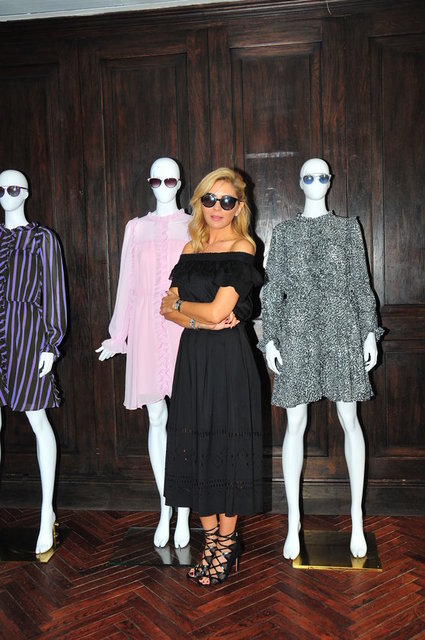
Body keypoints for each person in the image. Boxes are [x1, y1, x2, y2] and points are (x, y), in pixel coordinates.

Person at [261, 158, 384, 560]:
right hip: (296, 333)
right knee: (294, 423)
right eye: (308, 177)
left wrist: (369, 331)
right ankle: (293, 521)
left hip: (341, 330)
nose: (316, 182)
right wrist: (270, 338)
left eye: (322, 176)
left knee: (350, 419)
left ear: (330, 181)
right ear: (299, 183)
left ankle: (357, 518)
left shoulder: (348, 229)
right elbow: (272, 288)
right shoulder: (284, 232)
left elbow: (361, 284)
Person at [160, 167, 263, 587]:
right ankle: (210, 540)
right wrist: (194, 318)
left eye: (226, 201)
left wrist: (183, 308)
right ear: (198, 202)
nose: (217, 207)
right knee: (194, 445)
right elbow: (165, 308)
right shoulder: (191, 247)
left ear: (239, 207)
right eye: (209, 199)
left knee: (226, 444)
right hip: (193, 357)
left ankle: (227, 541)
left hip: (227, 359)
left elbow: (220, 311)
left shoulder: (243, 245)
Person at [96, 157, 190, 548]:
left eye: (170, 180)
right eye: (156, 180)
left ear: (180, 183)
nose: (163, 187)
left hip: (184, 327)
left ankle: (185, 511)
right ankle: (165, 507)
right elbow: (127, 284)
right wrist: (118, 335)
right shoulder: (135, 228)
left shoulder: (195, 225)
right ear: (149, 183)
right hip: (147, 330)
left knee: (185, 421)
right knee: (156, 418)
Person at [0, 169, 67, 555]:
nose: (6, 196)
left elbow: (54, 291)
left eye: (13, 189)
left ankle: (46, 514)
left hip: (27, 336)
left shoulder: (42, 238)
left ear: (25, 193)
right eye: (0, 189)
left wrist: (50, 344)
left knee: (37, 420)